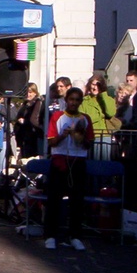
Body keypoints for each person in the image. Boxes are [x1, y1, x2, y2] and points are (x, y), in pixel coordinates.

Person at [44, 87, 94, 251]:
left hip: (78, 161)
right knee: (54, 199)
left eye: (77, 100)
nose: (73, 103)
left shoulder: (85, 119)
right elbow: (51, 142)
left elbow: (88, 144)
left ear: (80, 102)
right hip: (60, 160)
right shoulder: (58, 116)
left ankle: (75, 236)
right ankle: (50, 235)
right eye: (71, 99)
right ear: (66, 100)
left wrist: (78, 136)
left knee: (77, 201)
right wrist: (63, 135)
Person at [80, 75, 116, 160]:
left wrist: (103, 94)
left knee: (103, 163)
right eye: (93, 84)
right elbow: (83, 119)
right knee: (89, 163)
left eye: (98, 85)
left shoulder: (109, 99)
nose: (95, 87)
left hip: (104, 135)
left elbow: (110, 113)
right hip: (88, 136)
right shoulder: (83, 101)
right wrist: (100, 116)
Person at [14, 83, 44, 159]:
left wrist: (25, 121)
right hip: (24, 135)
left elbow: (34, 119)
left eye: (30, 92)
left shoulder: (37, 102)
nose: (28, 94)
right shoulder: (25, 103)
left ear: (35, 93)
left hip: (33, 136)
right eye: (26, 92)